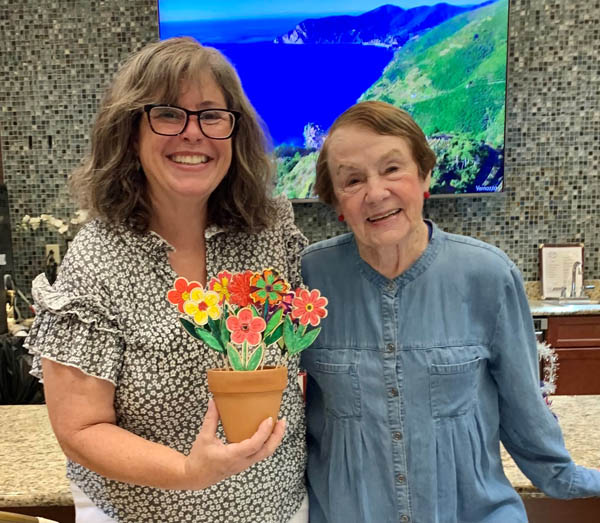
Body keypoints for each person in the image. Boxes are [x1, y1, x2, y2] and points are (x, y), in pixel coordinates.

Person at [25, 37, 308, 523]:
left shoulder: (271, 232)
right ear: (130, 132)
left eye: (211, 115)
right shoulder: (97, 260)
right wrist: (187, 471)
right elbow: (81, 427)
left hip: (279, 510)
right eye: (168, 114)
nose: (192, 133)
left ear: (234, 134)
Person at [300, 100, 600, 522]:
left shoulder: (488, 276)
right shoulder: (306, 280)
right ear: (336, 202)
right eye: (352, 180)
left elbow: (526, 418)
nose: (376, 192)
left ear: (424, 176)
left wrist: (571, 479)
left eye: (392, 169)